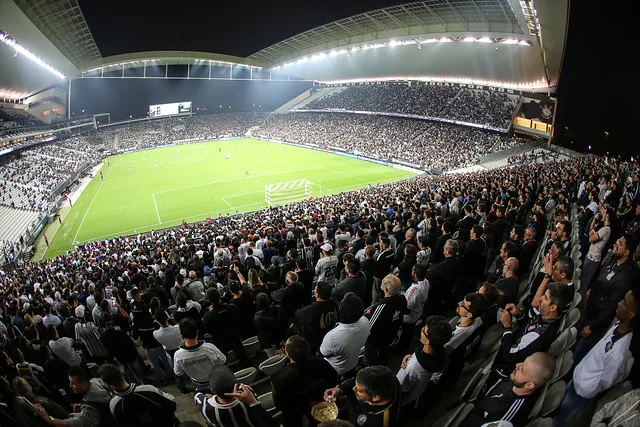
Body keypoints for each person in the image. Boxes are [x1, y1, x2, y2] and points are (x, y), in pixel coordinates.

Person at [554, 288, 638, 426]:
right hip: (579, 376)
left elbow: (607, 381)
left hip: (583, 390)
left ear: (631, 314)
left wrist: (589, 385)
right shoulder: (618, 325)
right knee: (559, 409)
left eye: (624, 303)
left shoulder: (619, 353)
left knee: (562, 419)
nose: (619, 303)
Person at [461, 352, 555, 427]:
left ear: (529, 385)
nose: (517, 365)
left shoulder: (510, 414)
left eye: (522, 369)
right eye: (523, 362)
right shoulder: (516, 380)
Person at [271, 335, 339, 426]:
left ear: (287, 353)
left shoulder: (278, 377)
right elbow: (333, 379)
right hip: (321, 402)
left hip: (297, 410)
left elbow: (280, 404)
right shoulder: (320, 362)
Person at [194, 365, 278, 427]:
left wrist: (213, 395)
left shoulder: (205, 406)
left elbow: (198, 392)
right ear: (235, 384)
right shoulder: (247, 391)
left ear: (212, 390)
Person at [29, 365, 113, 427]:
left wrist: (50, 421)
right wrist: (81, 405)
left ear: (84, 383)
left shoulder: (91, 408)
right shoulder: (96, 382)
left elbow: (76, 422)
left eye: (74, 383)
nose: (70, 386)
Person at [98, 363, 178, 427]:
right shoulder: (148, 389)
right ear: (122, 374)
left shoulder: (114, 404)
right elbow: (172, 402)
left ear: (109, 385)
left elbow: (121, 422)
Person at [396, 316, 452, 407]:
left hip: (402, 402)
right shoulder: (440, 353)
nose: (421, 330)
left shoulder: (412, 367)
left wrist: (410, 362)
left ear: (427, 341)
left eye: (424, 330)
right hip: (417, 395)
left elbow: (398, 388)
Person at [323, 366, 402, 427]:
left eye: (359, 390)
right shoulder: (387, 377)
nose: (354, 389)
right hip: (347, 410)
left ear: (375, 397)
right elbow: (359, 382)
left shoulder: (380, 422)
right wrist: (340, 389)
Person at [319, 295, 370, 376]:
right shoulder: (366, 321)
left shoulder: (333, 336)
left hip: (336, 368)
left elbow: (323, 353)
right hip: (353, 362)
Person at [173, 318, 226, 392]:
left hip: (198, 383)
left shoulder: (178, 355)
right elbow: (222, 360)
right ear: (197, 332)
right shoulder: (209, 347)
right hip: (216, 379)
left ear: (182, 335)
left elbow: (178, 373)